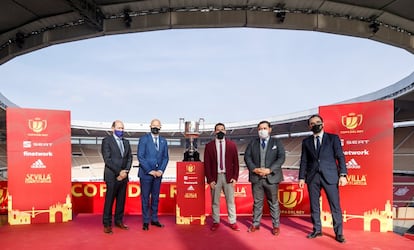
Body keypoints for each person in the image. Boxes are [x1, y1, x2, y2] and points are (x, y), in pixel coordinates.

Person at [298, 114, 348, 243]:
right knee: (314, 205)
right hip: (312, 177)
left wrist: (343, 174)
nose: (315, 125)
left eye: (318, 122)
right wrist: (301, 177)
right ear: (309, 126)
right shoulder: (306, 142)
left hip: (330, 176)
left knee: (335, 205)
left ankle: (339, 233)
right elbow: (304, 160)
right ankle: (317, 230)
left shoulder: (333, 138)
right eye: (312, 123)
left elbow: (340, 157)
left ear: (323, 123)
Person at [244, 120, 285, 236]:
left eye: (264, 128)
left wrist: (270, 170)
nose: (262, 131)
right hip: (256, 178)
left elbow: (281, 157)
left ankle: (276, 225)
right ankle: (256, 224)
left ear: (270, 129)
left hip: (272, 178)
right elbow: (247, 157)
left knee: (273, 203)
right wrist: (254, 169)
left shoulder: (277, 142)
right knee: (257, 202)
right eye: (260, 129)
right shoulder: (253, 143)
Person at [204, 123, 240, 231]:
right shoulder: (209, 146)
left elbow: (236, 163)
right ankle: (216, 221)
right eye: (218, 130)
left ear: (225, 131)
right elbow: (207, 164)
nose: (220, 131)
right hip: (215, 177)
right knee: (215, 201)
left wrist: (235, 177)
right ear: (215, 132)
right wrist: (209, 179)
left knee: (230, 200)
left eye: (222, 130)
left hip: (228, 177)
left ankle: (233, 221)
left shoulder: (232, 145)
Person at [137, 118, 169, 231]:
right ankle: (146, 221)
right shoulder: (143, 139)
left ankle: (154, 219)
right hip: (146, 174)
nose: (155, 127)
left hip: (158, 175)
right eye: (153, 125)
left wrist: (160, 171)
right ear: (150, 126)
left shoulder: (164, 141)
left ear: (160, 127)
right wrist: (150, 171)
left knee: (155, 198)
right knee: (145, 198)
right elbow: (140, 156)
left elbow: (165, 157)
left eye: (158, 125)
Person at [101, 120, 132, 234]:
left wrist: (126, 172)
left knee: (121, 201)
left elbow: (129, 158)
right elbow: (107, 159)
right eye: (119, 128)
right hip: (112, 176)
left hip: (124, 176)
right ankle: (107, 224)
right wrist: (119, 172)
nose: (121, 130)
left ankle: (119, 221)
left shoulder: (126, 142)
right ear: (113, 128)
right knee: (109, 201)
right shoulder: (107, 141)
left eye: (122, 128)